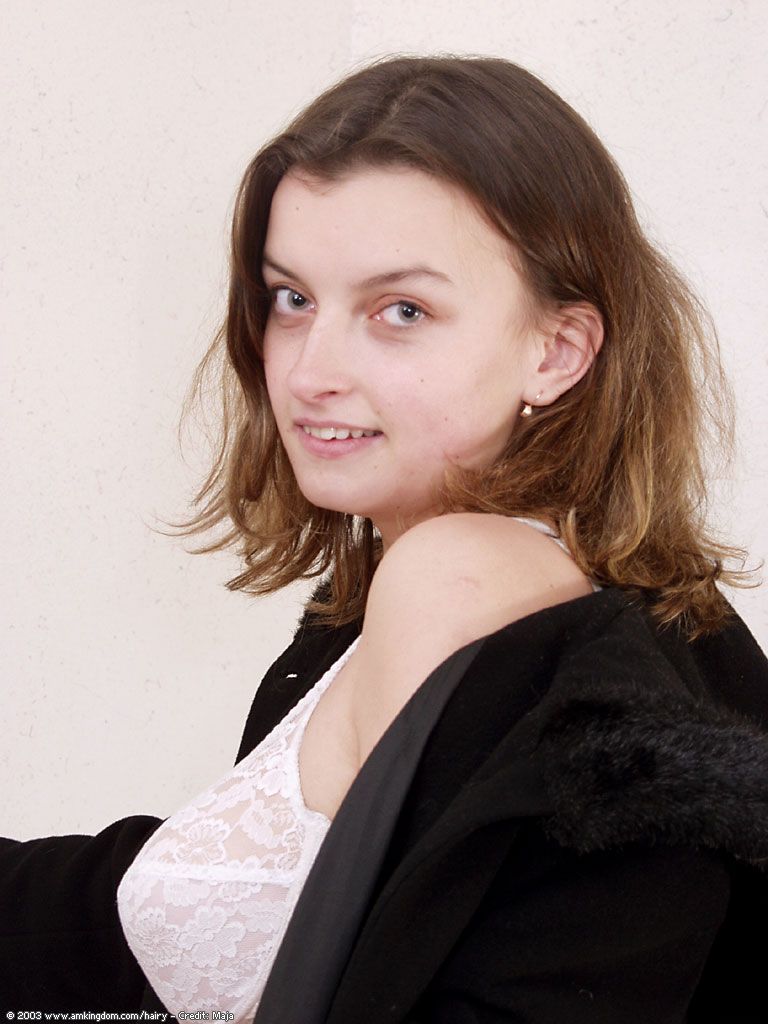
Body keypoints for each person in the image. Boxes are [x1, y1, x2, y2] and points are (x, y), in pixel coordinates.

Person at [2, 53, 767, 1023]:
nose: (309, 371)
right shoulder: (425, 592)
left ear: (557, 351)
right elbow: (198, 913)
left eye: (401, 311)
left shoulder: (455, 579)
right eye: (292, 298)